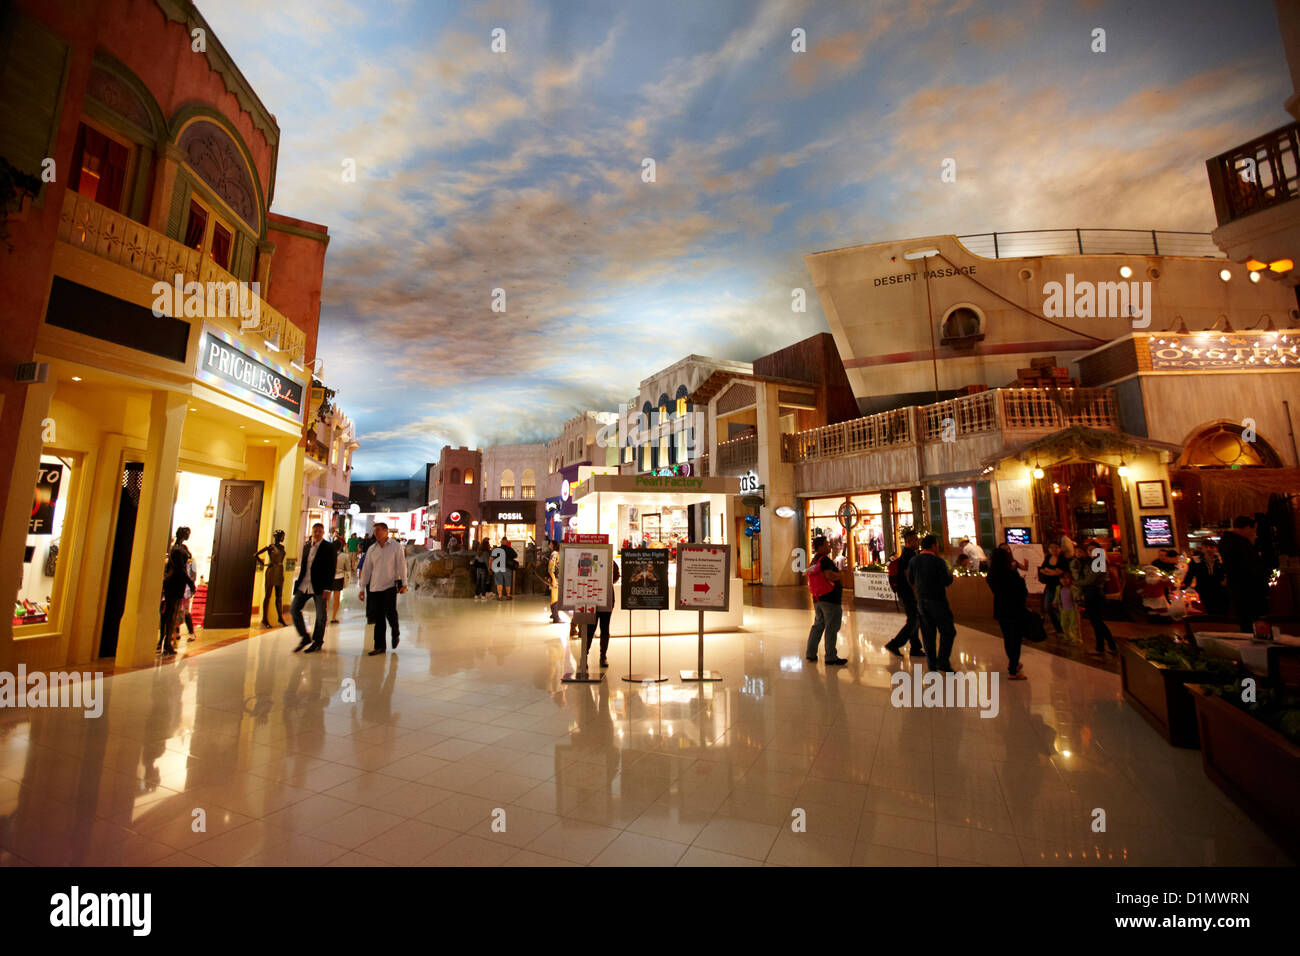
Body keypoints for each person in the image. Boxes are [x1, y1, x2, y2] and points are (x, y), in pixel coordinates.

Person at [908, 534, 957, 672]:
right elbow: (946, 581)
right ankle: (943, 661)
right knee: (948, 631)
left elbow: (911, 580)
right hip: (938, 601)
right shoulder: (938, 562)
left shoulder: (914, 561)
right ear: (934, 545)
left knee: (928, 635)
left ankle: (932, 664)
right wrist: (950, 575)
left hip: (921, 602)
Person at [360, 522, 406, 656]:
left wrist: (404, 583)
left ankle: (395, 632)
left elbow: (401, 565)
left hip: (390, 586)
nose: (376, 533)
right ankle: (379, 646)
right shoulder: (372, 549)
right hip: (375, 587)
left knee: (390, 613)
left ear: (386, 531)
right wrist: (362, 588)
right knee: (378, 617)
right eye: (375, 531)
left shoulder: (396, 547)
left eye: (379, 530)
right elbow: (367, 570)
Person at [1218, 515, 1270, 633]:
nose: (1253, 532)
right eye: (1252, 529)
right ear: (1247, 527)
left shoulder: (1228, 541)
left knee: (1246, 621)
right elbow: (1250, 568)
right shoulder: (1239, 544)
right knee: (1251, 622)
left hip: (1238, 589)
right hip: (1247, 590)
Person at [291, 522, 336, 654]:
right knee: (294, 610)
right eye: (315, 531)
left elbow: (331, 569)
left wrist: (328, 589)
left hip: (320, 586)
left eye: (319, 531)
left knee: (321, 615)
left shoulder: (329, 547)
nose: (316, 533)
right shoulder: (306, 547)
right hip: (304, 584)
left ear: (323, 533)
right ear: (312, 532)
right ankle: (305, 637)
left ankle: (317, 642)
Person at [986, 547, 1029, 679]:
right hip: (1014, 609)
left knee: (1008, 638)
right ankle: (1013, 670)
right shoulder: (1010, 574)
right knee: (1015, 640)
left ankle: (1013, 663)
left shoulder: (992, 575)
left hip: (1000, 608)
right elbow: (1022, 592)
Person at [805, 535, 847, 665]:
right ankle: (830, 656)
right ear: (821, 546)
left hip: (818, 598)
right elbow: (829, 575)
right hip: (830, 599)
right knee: (831, 627)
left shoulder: (814, 560)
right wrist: (840, 575)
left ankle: (811, 653)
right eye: (827, 544)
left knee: (818, 625)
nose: (829, 545)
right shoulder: (825, 560)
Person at [1072, 538, 1116, 655]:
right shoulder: (1091, 562)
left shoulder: (1099, 563)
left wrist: (1076, 583)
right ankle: (1100, 647)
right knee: (1095, 622)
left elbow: (1089, 580)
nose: (1091, 552)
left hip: (1095, 594)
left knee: (1097, 622)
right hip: (1090, 593)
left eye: (1093, 550)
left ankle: (1111, 645)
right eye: (1089, 550)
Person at [884, 530, 925, 658]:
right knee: (914, 620)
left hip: (904, 592)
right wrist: (915, 591)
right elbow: (909, 576)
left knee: (914, 619)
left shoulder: (906, 554)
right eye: (916, 540)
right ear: (909, 541)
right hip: (908, 592)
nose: (918, 542)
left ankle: (915, 647)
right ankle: (895, 643)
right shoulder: (909, 556)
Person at [158, 527, 196, 656]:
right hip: (175, 582)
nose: (189, 535)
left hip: (174, 582)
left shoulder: (178, 548)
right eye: (187, 534)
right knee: (170, 613)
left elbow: (187, 559)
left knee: (170, 613)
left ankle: (164, 643)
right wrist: (190, 582)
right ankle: (166, 643)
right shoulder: (178, 550)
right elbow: (180, 569)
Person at [583, 560, 620, 669]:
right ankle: (598, 656)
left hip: (602, 597)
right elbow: (616, 577)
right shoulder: (609, 561)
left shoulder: (591, 560)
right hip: (598, 596)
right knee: (597, 629)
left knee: (597, 628)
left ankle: (598, 656)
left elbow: (616, 576)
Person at [255, 529, 288, 627]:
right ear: (277, 536)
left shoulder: (282, 547)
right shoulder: (270, 547)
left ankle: (280, 617)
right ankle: (265, 619)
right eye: (281, 536)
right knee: (268, 596)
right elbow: (256, 555)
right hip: (271, 570)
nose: (283, 538)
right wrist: (263, 564)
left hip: (279, 570)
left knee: (279, 596)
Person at [1186, 544, 1229, 616]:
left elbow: (1225, 573)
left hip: (1219, 590)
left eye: (1211, 547)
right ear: (1203, 549)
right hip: (1204, 589)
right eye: (1206, 547)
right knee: (1209, 611)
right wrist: (1185, 584)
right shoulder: (1197, 560)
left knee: (1221, 611)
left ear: (1215, 549)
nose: (1209, 549)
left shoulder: (1219, 560)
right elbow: (1190, 573)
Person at [1037, 541, 1068, 635]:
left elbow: (1060, 572)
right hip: (1049, 586)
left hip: (1060, 586)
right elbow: (1042, 569)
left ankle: (1064, 628)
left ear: (1060, 549)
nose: (1053, 549)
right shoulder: (1048, 557)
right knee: (1048, 607)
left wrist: (1048, 571)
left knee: (1059, 608)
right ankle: (1058, 627)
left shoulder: (1063, 559)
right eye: (1051, 547)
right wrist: (1052, 571)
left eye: (1056, 547)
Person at [1057, 571, 1081, 645]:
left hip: (1073, 610)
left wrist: (1079, 602)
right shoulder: (1059, 588)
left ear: (1070, 579)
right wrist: (1055, 602)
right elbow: (1057, 597)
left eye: (1066, 578)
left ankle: (1076, 639)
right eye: (1062, 578)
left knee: (1074, 625)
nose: (1064, 580)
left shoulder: (1073, 588)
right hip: (1064, 610)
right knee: (1064, 624)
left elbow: (1078, 597)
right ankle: (1068, 637)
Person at [329, 533, 348, 623]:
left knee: (326, 598)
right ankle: (333, 617)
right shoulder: (344, 556)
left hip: (328, 577)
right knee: (336, 598)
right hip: (339, 578)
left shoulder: (327, 554)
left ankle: (324, 617)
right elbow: (347, 569)